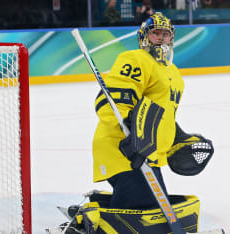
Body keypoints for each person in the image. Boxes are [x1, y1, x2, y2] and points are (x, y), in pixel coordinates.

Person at [53, 12, 214, 234]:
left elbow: (163, 116)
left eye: (165, 34)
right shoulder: (135, 59)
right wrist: (133, 139)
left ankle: (87, 217)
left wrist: (178, 139)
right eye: (155, 33)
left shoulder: (174, 74)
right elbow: (110, 103)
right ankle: (86, 228)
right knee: (143, 217)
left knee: (155, 213)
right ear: (144, 37)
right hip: (122, 150)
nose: (161, 38)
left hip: (147, 153)